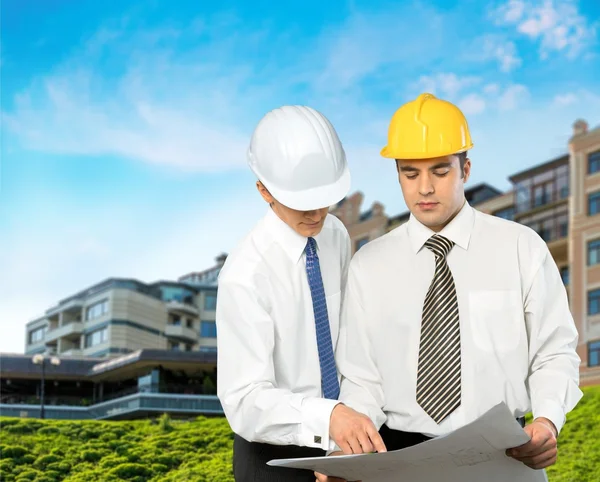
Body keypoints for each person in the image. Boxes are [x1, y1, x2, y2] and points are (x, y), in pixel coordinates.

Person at [320, 93, 583, 480]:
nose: (424, 188)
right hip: (400, 461)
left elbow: (554, 352)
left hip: (505, 459)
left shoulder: (520, 247)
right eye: (410, 174)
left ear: (466, 169)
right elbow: (362, 378)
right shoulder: (369, 266)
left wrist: (546, 421)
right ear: (397, 174)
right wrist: (348, 449)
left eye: (440, 171)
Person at [216, 105, 384, 482]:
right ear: (263, 190)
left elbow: (348, 342)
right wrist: (327, 418)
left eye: (325, 199)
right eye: (302, 202)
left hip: (343, 443)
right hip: (273, 457)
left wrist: (347, 435)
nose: (316, 213)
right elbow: (244, 400)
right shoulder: (244, 275)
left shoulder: (335, 234)